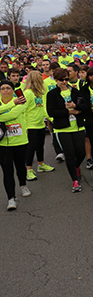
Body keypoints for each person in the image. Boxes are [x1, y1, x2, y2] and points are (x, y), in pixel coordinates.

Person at [46, 68, 90, 192]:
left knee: (81, 152)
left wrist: (76, 106)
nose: (64, 82)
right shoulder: (52, 94)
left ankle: (76, 167)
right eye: (61, 80)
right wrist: (68, 111)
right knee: (69, 154)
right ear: (56, 80)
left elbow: (85, 106)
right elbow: (51, 112)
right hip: (62, 129)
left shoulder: (75, 91)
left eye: (66, 79)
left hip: (78, 127)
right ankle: (75, 180)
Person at [1, 80, 29, 210]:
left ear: (13, 90)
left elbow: (14, 114)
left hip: (20, 141)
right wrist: (12, 103)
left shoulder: (21, 100)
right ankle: (11, 198)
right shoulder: (14, 101)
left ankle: (23, 185)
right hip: (3, 143)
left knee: (20, 167)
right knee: (7, 171)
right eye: (3, 88)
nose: (6, 90)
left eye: (8, 88)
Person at [23, 71, 55, 181]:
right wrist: (25, 126)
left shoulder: (39, 93)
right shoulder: (28, 93)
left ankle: (41, 165)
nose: (42, 80)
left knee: (40, 145)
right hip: (31, 124)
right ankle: (29, 170)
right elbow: (23, 110)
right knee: (31, 147)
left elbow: (42, 108)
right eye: (39, 78)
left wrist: (51, 118)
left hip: (40, 123)